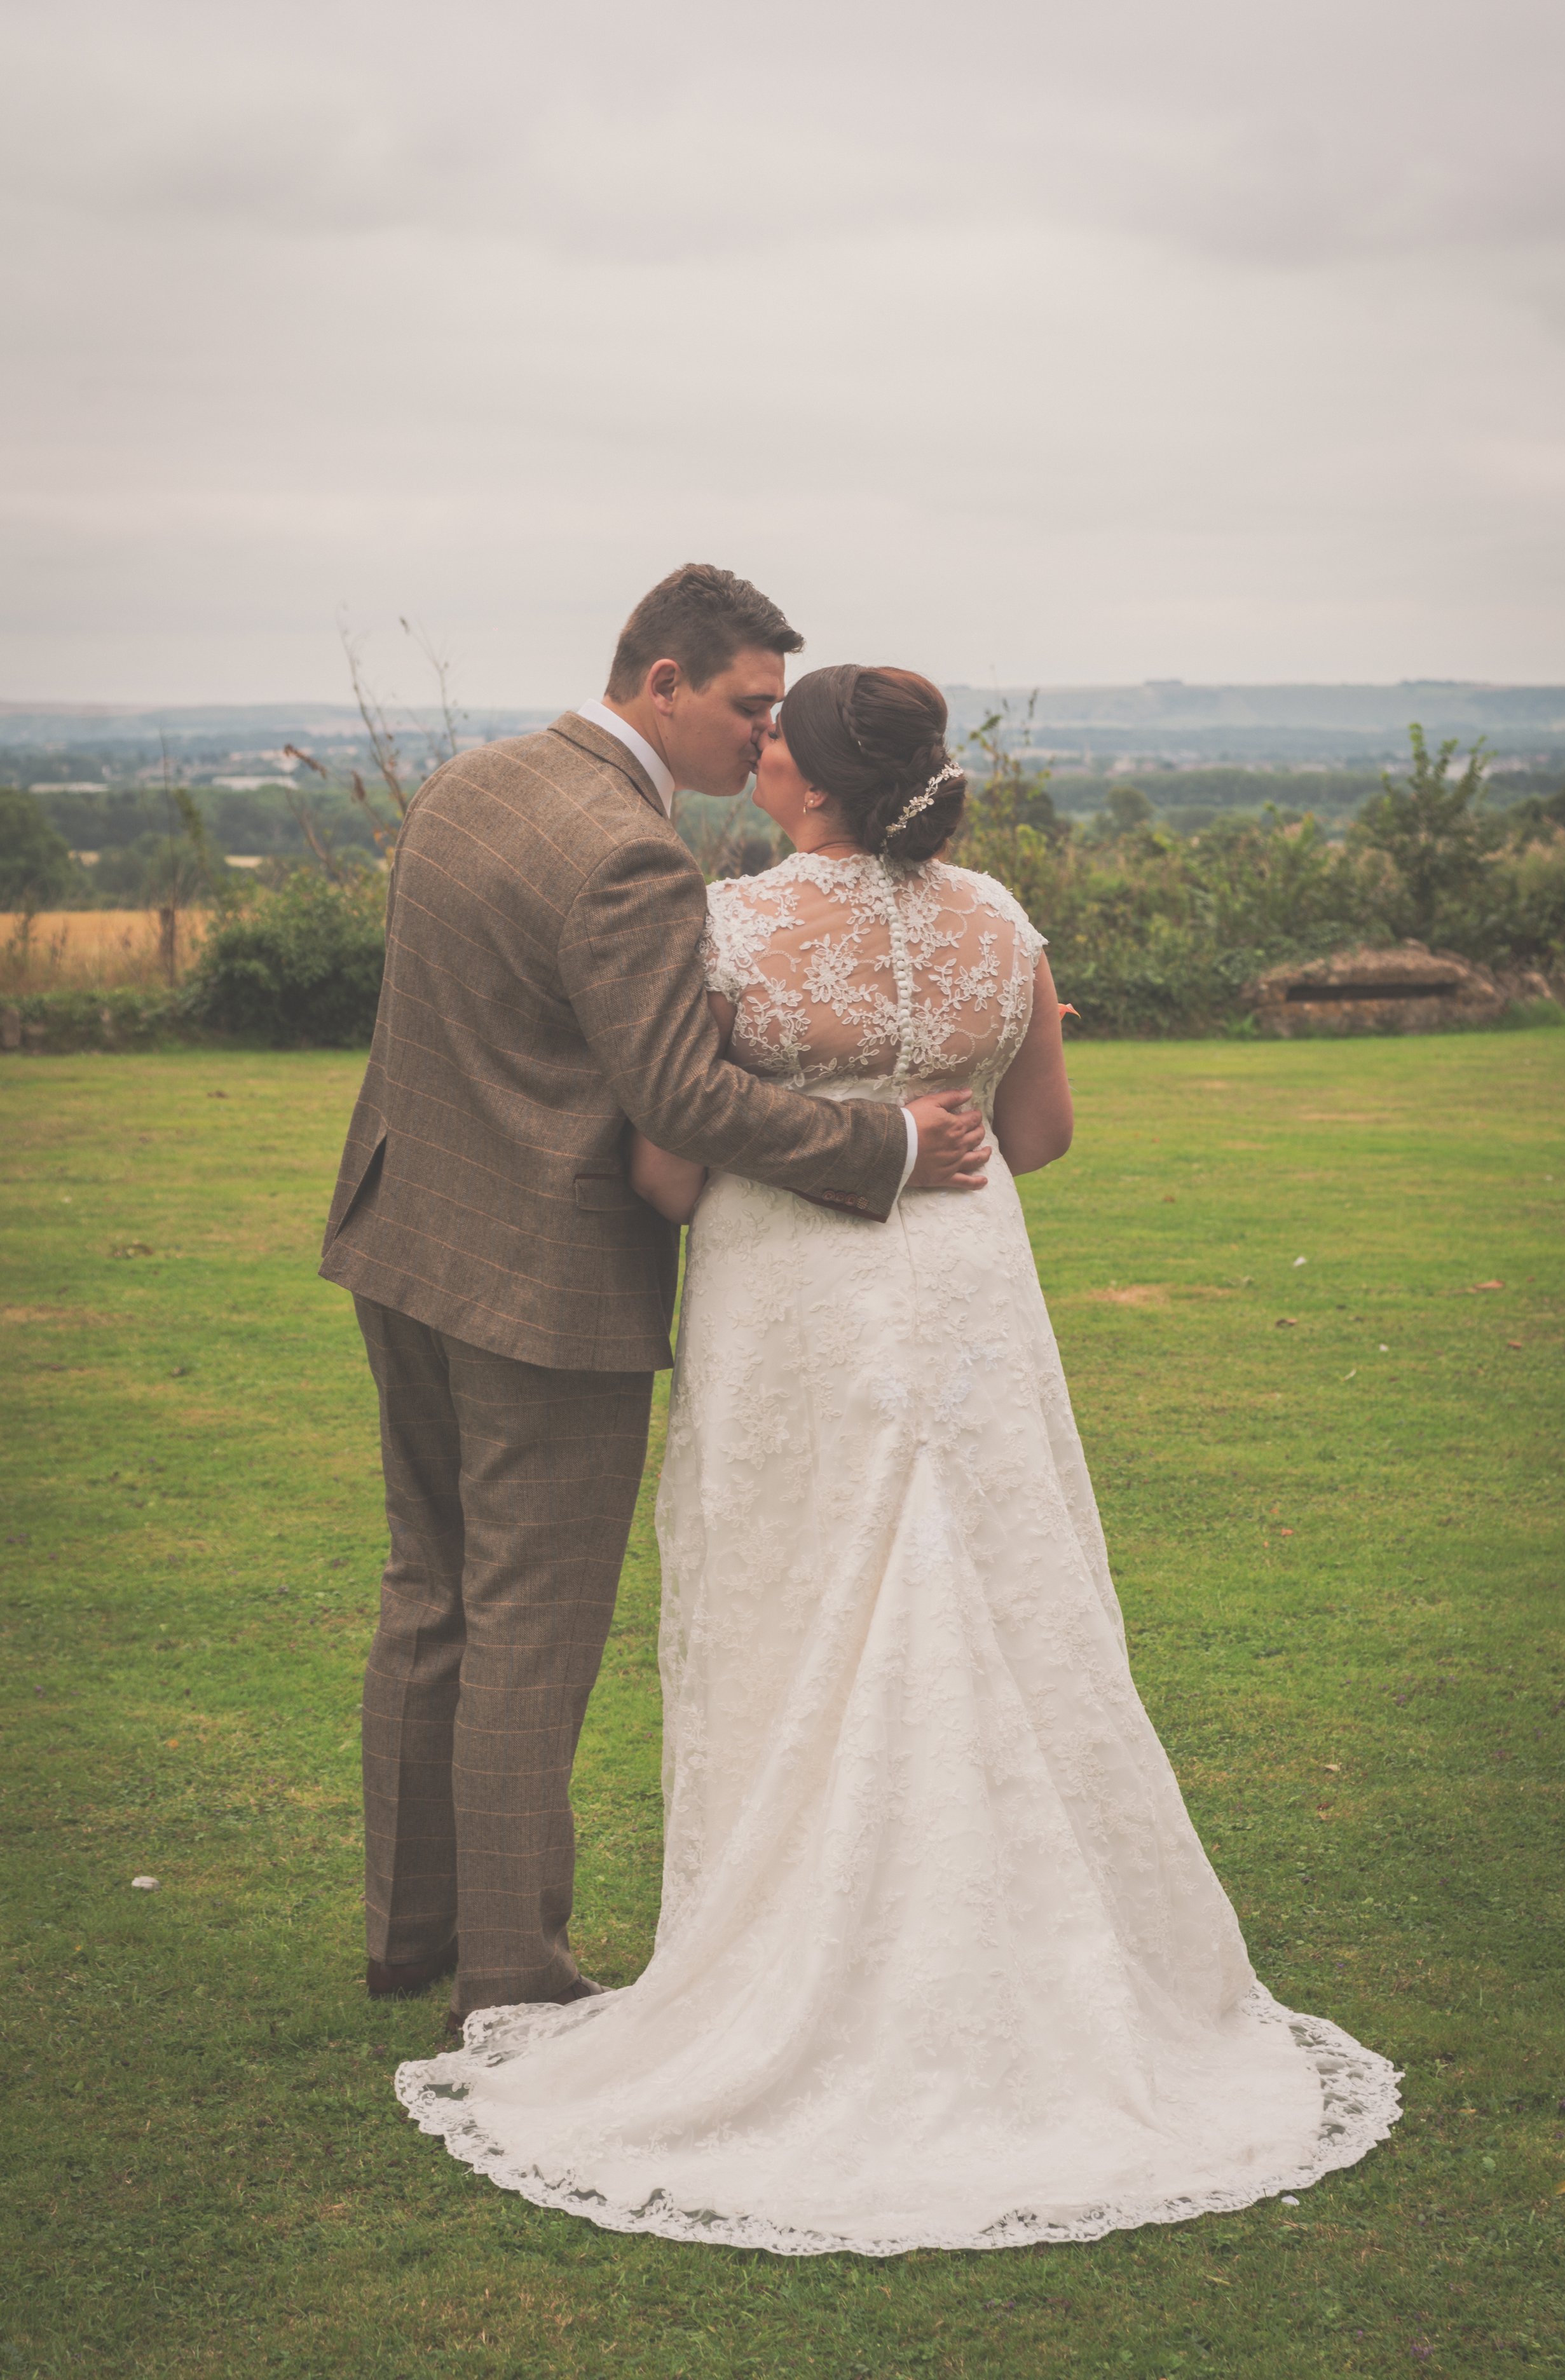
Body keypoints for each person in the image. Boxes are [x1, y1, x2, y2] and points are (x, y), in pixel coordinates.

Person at [393, 663, 1401, 2254]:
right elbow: (1046, 1133)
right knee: (1004, 1598)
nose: (760, 741)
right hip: (963, 1301)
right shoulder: (999, 921)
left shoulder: (733, 928)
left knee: (800, 1613)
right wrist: (948, 1109)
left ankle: (800, 1965)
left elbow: (664, 1172)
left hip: (796, 1309)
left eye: (775, 736)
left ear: (799, 781)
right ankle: (1037, 1971)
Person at [320, 571, 991, 2033]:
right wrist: (885, 1140)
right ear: (664, 680)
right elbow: (682, 1093)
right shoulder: (631, 860)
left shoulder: (471, 787)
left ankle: (409, 1931)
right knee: (529, 1623)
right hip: (538, 1282)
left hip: (401, 1235)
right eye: (751, 706)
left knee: (428, 1590)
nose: (765, 739)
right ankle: (510, 1973)